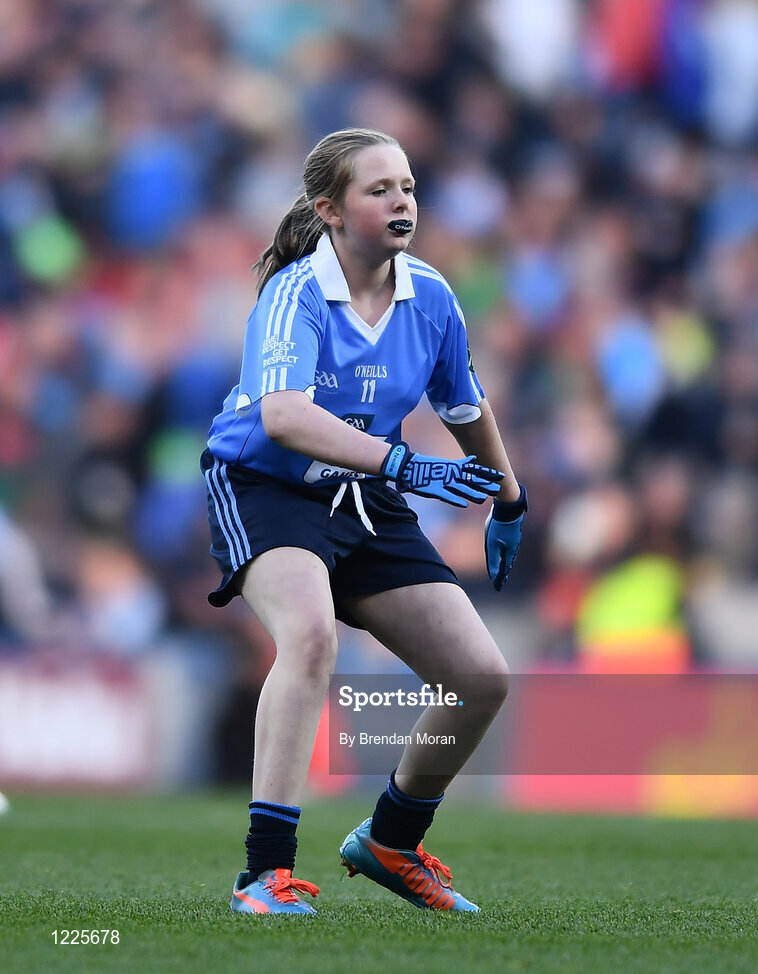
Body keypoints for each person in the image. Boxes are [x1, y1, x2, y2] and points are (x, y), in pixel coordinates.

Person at [202, 128, 527, 916]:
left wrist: (509, 499)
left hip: (364, 493)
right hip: (265, 487)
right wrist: (403, 466)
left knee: (480, 679)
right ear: (330, 210)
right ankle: (263, 875)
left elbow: (463, 406)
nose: (401, 201)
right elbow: (282, 417)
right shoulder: (295, 293)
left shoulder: (432, 297)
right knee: (311, 636)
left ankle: (390, 841)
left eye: (408, 187)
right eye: (378, 189)